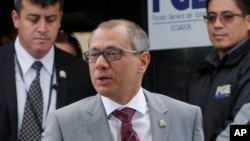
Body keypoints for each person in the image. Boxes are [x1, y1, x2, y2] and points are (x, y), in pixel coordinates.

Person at [42, 19, 204, 141]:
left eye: (112, 54)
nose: (100, 64)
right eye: (94, 54)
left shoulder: (186, 117)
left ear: (143, 61)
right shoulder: (63, 123)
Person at [0, 0, 95, 141]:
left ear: (60, 19)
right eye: (33, 19)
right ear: (16, 18)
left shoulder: (82, 73)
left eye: (51, 20)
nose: (42, 28)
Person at [185, 0, 250, 140]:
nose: (217, 24)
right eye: (211, 17)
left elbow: (243, 129)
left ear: (248, 21)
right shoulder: (201, 71)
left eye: (227, 16)